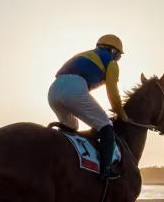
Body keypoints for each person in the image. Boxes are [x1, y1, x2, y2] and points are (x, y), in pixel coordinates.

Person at [49, 34, 128, 178]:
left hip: (53, 91)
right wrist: (122, 114)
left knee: (70, 128)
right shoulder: (111, 62)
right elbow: (113, 94)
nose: (118, 60)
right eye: (119, 56)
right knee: (106, 125)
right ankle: (106, 169)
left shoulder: (82, 55)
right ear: (114, 52)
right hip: (74, 89)